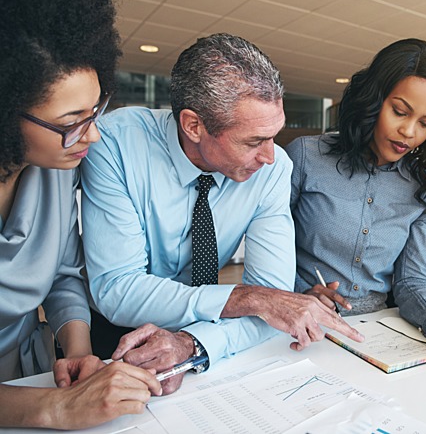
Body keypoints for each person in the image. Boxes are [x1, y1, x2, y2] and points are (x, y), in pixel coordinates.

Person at [81, 33, 363, 395]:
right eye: (253, 141)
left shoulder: (272, 171)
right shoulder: (114, 144)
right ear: (194, 126)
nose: (270, 156)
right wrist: (248, 298)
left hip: (214, 336)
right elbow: (117, 289)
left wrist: (193, 344)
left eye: (273, 136)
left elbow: (273, 301)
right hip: (116, 337)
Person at [0, 0, 161, 429]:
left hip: (31, 375)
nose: (91, 136)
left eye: (96, 112)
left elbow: (63, 275)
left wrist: (79, 352)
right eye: (72, 124)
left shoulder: (54, 167)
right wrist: (57, 409)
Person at [286, 38, 426, 368]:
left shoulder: (425, 184)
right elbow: (265, 253)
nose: (408, 131)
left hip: (376, 338)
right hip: (295, 331)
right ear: (373, 99)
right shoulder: (305, 157)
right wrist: (299, 292)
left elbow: (411, 281)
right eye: (400, 112)